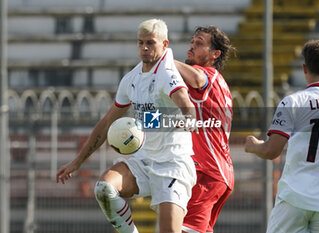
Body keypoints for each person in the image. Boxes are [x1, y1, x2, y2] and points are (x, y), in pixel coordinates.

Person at [56, 18, 197, 233]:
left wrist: (186, 118)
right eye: (140, 43)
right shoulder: (131, 79)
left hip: (172, 165)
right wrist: (78, 161)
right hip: (144, 160)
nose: (145, 48)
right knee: (104, 188)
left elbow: (187, 106)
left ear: (165, 44)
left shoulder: (167, 74)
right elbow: (106, 123)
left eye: (151, 42)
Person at [245, 39, 319, 233]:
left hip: (296, 197)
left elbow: (270, 151)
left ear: (304, 68)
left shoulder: (294, 102)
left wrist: (253, 145)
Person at [174, 26, 235, 233]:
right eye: (192, 42)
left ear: (214, 54)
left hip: (206, 173)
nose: (191, 46)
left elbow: (198, 79)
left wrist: (162, 59)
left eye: (199, 43)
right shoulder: (218, 83)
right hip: (216, 173)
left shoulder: (207, 75)